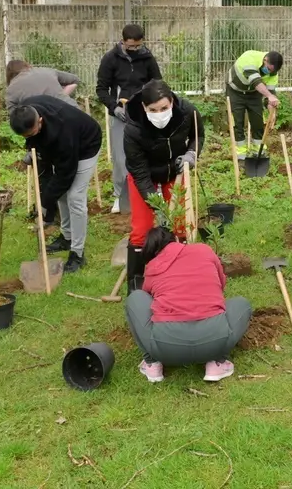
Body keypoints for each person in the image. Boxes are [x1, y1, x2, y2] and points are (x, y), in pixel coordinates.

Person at [125, 227, 252, 384]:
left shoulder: (152, 267)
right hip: (214, 342)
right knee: (241, 304)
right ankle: (217, 363)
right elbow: (221, 283)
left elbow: (148, 298)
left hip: (166, 349)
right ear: (176, 239)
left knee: (135, 298)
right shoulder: (204, 250)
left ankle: (152, 363)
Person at [9, 96, 102, 273]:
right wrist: (46, 201)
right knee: (60, 193)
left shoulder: (63, 129)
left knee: (75, 197)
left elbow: (65, 174)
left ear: (40, 121)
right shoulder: (25, 112)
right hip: (61, 147)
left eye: (31, 134)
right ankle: (66, 238)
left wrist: (45, 203)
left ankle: (77, 253)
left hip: (86, 145)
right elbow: (46, 171)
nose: (29, 138)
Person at [123, 80, 205, 278]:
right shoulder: (134, 128)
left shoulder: (187, 112)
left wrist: (192, 154)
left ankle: (181, 271)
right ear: (144, 107)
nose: (159, 114)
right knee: (142, 229)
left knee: (181, 224)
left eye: (164, 108)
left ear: (172, 102)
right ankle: (137, 280)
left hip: (175, 172)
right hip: (144, 177)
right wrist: (158, 206)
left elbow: (198, 135)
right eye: (153, 110)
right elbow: (140, 172)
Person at [96, 24, 162, 214]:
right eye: (131, 46)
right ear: (123, 41)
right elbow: (101, 89)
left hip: (144, 112)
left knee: (150, 151)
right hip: (121, 113)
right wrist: (114, 108)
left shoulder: (147, 57)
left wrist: (151, 103)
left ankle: (154, 190)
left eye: (138, 46)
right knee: (120, 156)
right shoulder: (110, 59)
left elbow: (157, 82)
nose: (135, 50)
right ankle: (121, 196)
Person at [227, 50, 283, 159]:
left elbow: (270, 95)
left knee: (258, 122)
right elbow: (255, 81)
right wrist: (269, 96)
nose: (269, 72)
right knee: (237, 123)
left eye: (272, 71)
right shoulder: (249, 58)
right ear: (265, 60)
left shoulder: (273, 73)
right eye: (268, 69)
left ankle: (258, 153)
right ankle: (241, 156)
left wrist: (272, 112)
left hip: (254, 93)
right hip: (235, 91)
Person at [5, 59, 79, 110]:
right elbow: (74, 80)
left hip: (44, 121)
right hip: (73, 110)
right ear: (26, 66)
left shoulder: (11, 88)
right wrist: (61, 95)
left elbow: (14, 115)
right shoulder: (46, 71)